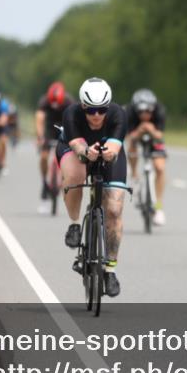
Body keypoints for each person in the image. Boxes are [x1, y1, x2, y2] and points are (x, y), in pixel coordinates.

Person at [56, 77, 128, 297]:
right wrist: (87, 153)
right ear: (83, 106)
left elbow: (115, 147)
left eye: (102, 109)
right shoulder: (71, 114)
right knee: (75, 174)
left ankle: (110, 270)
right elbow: (77, 146)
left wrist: (109, 154)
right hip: (76, 149)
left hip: (108, 151)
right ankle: (75, 224)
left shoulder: (118, 114)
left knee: (114, 209)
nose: (97, 116)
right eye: (92, 110)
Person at [124, 88, 168, 226]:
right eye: (141, 112)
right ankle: (134, 175)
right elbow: (129, 136)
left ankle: (158, 207)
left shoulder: (160, 110)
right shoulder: (129, 112)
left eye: (148, 112)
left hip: (154, 136)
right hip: (136, 135)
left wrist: (151, 129)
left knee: (160, 168)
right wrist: (140, 129)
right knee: (132, 146)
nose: (145, 115)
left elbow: (160, 135)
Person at [35, 81, 73, 207]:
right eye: (53, 104)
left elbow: (75, 120)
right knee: (44, 156)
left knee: (67, 156)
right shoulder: (45, 101)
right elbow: (39, 119)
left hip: (64, 128)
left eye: (58, 104)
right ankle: (44, 181)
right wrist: (40, 137)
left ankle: (63, 179)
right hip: (50, 129)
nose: (55, 106)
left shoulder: (69, 101)